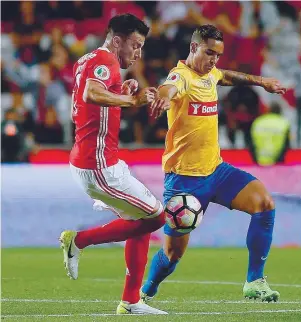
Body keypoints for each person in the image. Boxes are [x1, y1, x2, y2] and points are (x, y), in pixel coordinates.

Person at [141, 24, 286, 303]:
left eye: (218, 55)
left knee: (264, 203)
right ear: (193, 47)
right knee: (173, 255)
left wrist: (261, 81)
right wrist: (162, 96)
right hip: (183, 180)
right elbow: (170, 87)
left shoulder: (211, 74)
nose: (214, 61)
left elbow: (225, 76)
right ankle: (145, 291)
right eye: (209, 53)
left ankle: (254, 281)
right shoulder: (181, 75)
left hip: (217, 171)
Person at [58, 14, 168, 315]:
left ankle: (131, 302)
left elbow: (77, 111)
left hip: (95, 160)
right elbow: (91, 94)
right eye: (135, 45)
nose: (138, 53)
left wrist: (120, 92)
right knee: (157, 218)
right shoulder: (105, 61)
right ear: (117, 40)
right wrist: (132, 102)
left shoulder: (87, 61)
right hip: (99, 166)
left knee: (139, 222)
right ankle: (79, 240)